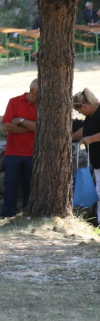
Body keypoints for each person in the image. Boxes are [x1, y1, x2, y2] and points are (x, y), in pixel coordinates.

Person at [0, 79, 38, 218]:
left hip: (32, 153)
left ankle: (27, 214)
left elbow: (40, 127)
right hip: (13, 152)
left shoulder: (42, 105)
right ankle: (7, 215)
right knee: (10, 185)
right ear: (32, 91)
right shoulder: (14, 102)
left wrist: (21, 121)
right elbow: (6, 126)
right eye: (38, 94)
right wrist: (30, 127)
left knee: (30, 186)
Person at [72, 88, 100, 223]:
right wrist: (69, 137)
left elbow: (92, 134)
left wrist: (91, 139)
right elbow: (85, 130)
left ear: (84, 106)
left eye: (80, 111)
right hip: (97, 162)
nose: (80, 114)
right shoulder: (89, 117)